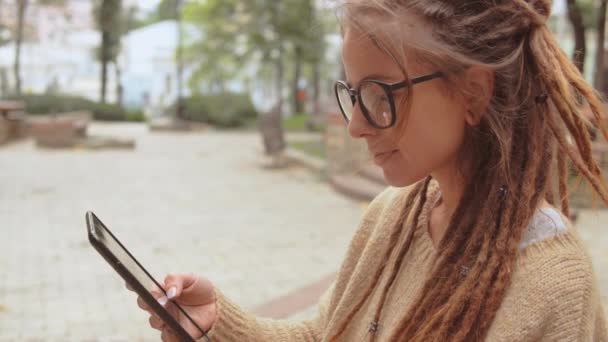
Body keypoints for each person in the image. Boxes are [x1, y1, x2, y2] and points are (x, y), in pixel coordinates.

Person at [132, 0, 608, 340]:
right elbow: (326, 333)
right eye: (355, 94)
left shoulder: (553, 286)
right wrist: (219, 324)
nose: (357, 125)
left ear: (473, 93)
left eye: (381, 94)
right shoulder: (394, 214)